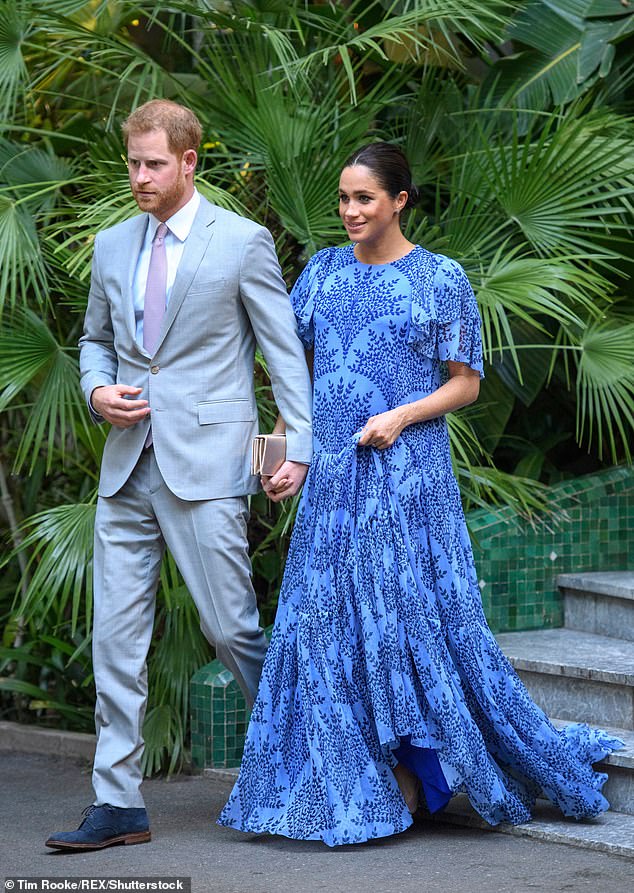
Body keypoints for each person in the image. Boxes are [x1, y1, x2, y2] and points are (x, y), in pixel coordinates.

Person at [218, 142, 623, 846]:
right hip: (334, 482)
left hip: (407, 477)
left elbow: (466, 381)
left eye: (364, 199)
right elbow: (296, 378)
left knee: (406, 622)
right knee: (324, 622)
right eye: (343, 199)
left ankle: (422, 773)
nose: (348, 212)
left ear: (400, 200)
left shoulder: (440, 277)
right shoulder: (320, 274)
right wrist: (282, 454)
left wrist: (402, 415)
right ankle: (351, 774)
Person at [45, 99, 313, 851]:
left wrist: (291, 451)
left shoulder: (243, 242)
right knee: (116, 640)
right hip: (126, 468)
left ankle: (298, 758)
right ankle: (118, 800)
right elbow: (94, 341)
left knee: (230, 628)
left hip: (208, 465)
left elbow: (282, 357)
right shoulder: (110, 245)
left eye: (153, 163)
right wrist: (96, 388)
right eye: (132, 162)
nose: (139, 176)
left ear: (189, 162)